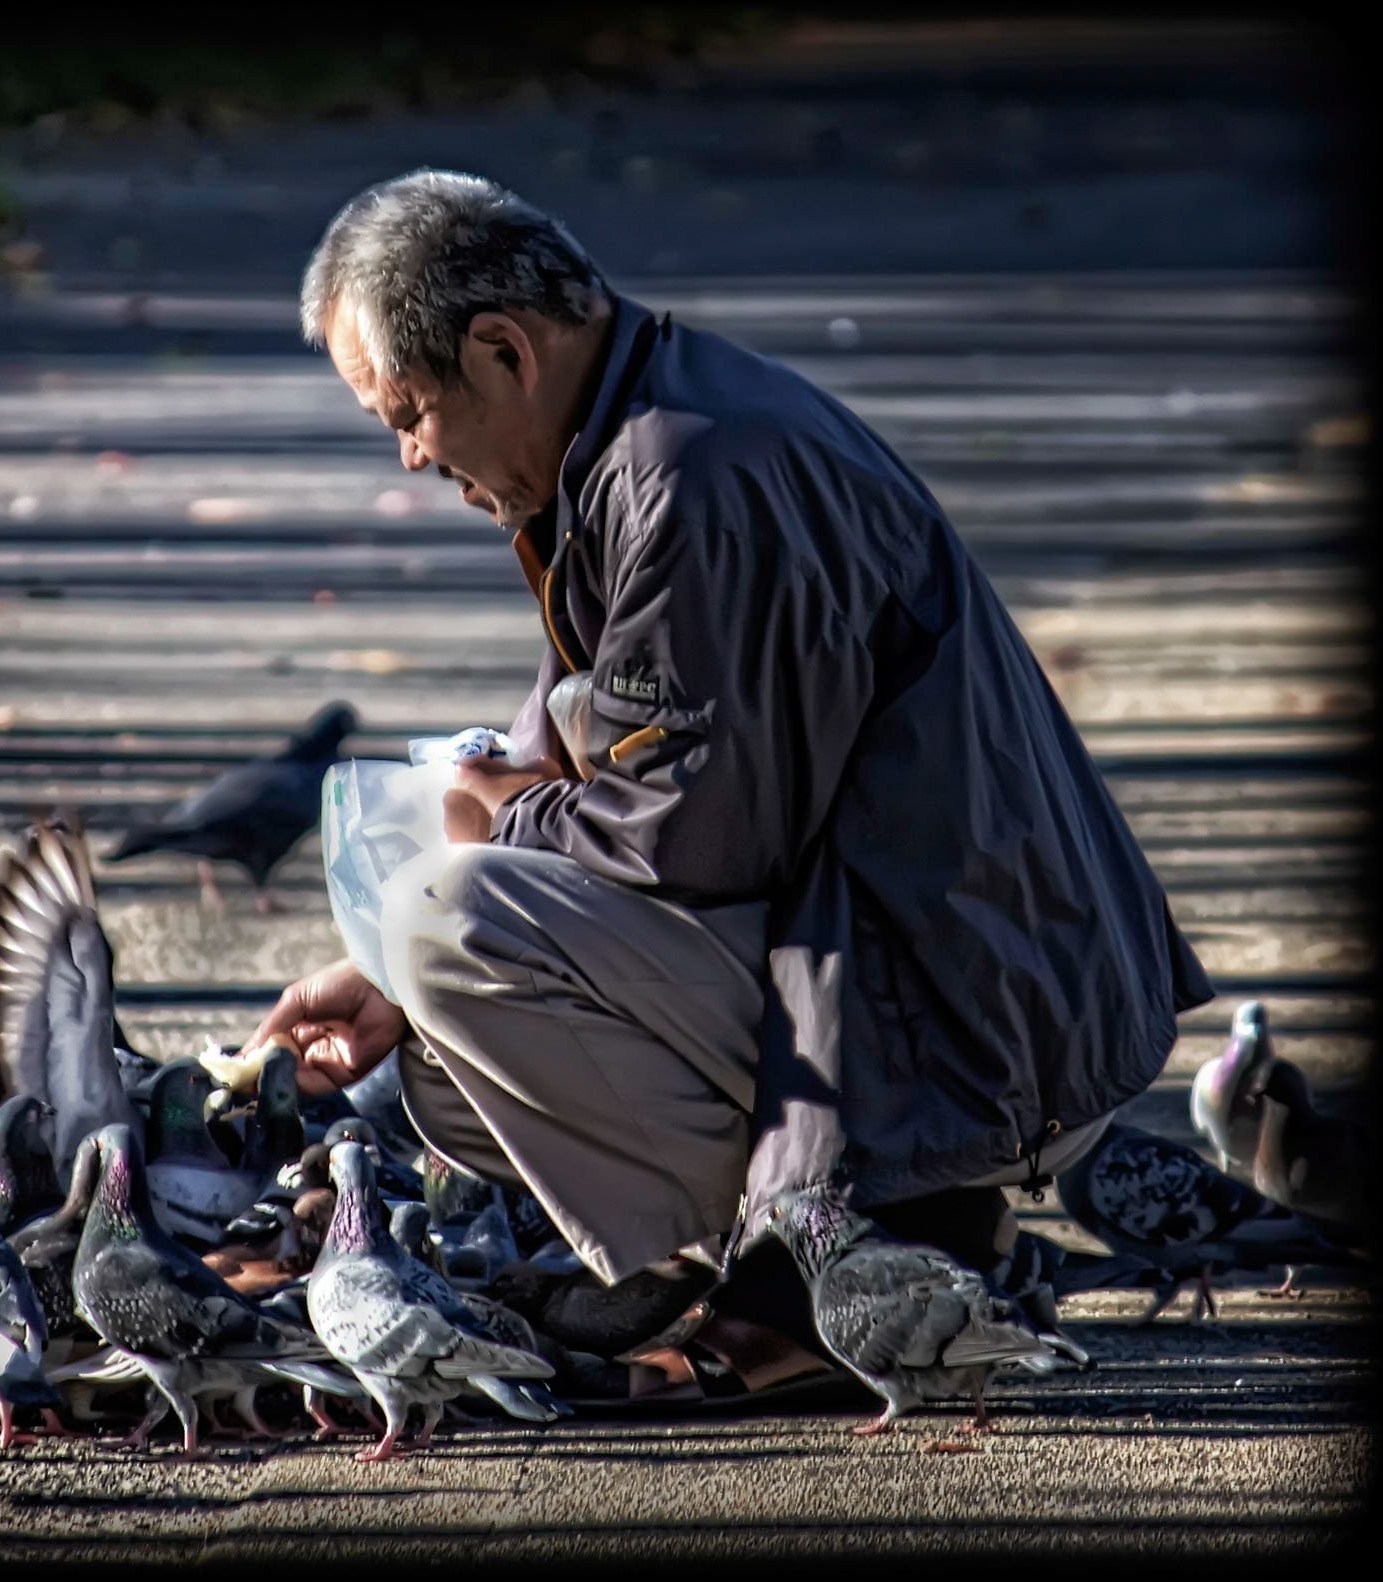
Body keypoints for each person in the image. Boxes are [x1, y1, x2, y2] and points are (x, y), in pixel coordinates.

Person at [248, 169, 1213, 1406]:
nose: (409, 452)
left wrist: (493, 824)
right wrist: (388, 965)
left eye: (409, 410)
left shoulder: (694, 478)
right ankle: (823, 1254)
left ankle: (841, 1260)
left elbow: (691, 841)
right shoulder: (639, 431)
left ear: (501, 351)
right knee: (433, 1032)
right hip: (928, 971)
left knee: (449, 922)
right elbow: (620, 771)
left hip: (970, 1014)